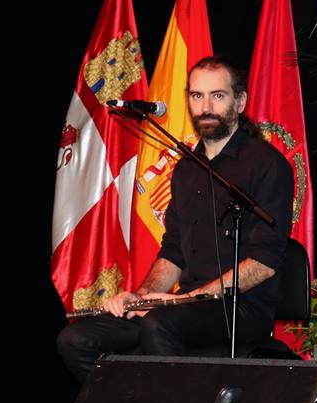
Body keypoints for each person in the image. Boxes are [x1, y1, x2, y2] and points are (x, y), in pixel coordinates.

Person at [56, 56, 293, 380]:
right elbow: (173, 253)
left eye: (217, 95)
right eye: (197, 96)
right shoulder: (185, 170)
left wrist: (184, 300)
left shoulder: (267, 164)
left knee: (159, 326)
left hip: (241, 310)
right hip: (186, 306)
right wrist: (140, 298)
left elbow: (265, 262)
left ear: (240, 102)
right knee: (76, 340)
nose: (206, 106)